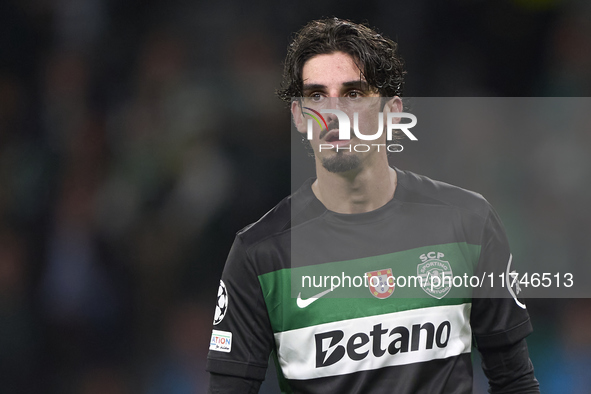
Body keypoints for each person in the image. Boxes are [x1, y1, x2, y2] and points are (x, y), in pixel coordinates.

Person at [206, 18, 539, 393]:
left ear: (392, 113)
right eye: (317, 96)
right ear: (299, 117)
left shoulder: (468, 223)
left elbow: (514, 380)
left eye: (352, 94)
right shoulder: (260, 254)